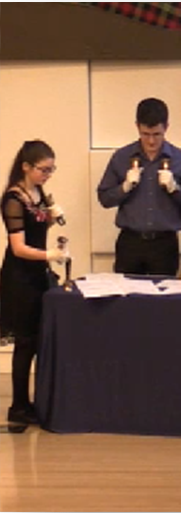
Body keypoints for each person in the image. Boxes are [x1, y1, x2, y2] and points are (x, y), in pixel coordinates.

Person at [1, 140, 68, 429]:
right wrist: (50, 255)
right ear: (26, 167)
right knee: (25, 342)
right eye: (44, 170)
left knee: (38, 339)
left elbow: (36, 228)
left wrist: (51, 221)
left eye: (52, 170)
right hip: (20, 277)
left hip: (38, 273)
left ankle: (33, 401)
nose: (47, 175)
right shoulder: (13, 199)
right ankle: (18, 405)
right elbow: (18, 246)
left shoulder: (37, 192)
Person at [97, 97, 181, 275]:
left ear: (166, 127)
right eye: (145, 134)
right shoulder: (121, 157)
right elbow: (104, 198)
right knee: (126, 298)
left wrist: (175, 189)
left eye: (157, 134)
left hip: (164, 243)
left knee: (163, 299)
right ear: (137, 126)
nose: (151, 141)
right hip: (130, 242)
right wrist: (124, 187)